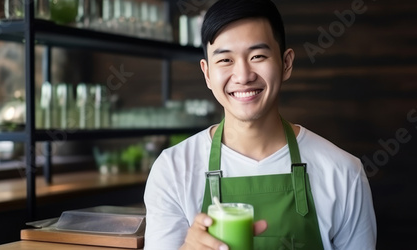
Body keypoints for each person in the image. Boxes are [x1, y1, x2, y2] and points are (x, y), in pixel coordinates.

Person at [143, 0, 377, 249]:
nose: (243, 76)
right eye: (225, 60)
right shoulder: (173, 171)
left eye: (258, 56)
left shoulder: (344, 172)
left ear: (286, 63)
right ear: (207, 73)